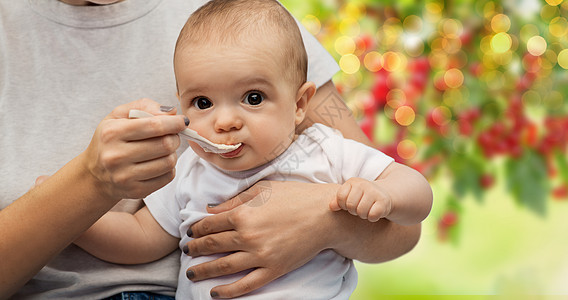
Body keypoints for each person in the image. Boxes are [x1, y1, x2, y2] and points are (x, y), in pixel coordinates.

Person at [0, 0, 429, 299]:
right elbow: (144, 237)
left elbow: (407, 208)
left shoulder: (324, 149)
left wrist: (361, 205)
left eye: (254, 98)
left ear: (300, 104)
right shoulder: (191, 170)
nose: (224, 121)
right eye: (202, 104)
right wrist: (73, 203)